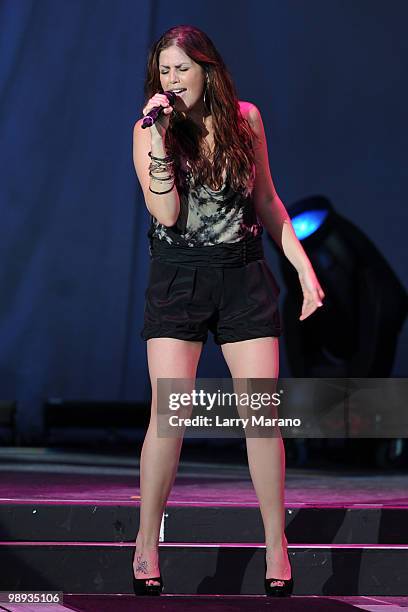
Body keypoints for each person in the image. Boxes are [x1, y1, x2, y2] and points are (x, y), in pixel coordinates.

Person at [132, 25, 325, 597]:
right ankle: (146, 543)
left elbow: (266, 198)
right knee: (170, 414)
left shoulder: (246, 119)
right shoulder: (148, 131)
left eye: (181, 70)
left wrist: (304, 270)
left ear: (207, 71)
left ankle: (275, 542)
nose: (171, 81)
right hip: (179, 278)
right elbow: (165, 215)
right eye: (163, 72)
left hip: (243, 274)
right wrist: (160, 139)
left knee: (261, 417)